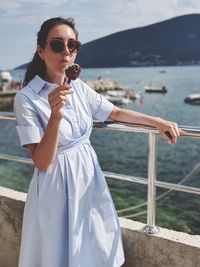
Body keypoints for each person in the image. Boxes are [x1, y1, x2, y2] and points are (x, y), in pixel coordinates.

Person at [14, 17, 180, 267]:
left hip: (88, 178)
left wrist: (156, 121)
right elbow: (41, 160)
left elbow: (114, 113)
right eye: (57, 45)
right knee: (56, 253)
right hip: (54, 187)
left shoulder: (78, 87)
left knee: (93, 247)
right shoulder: (26, 98)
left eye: (73, 45)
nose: (66, 52)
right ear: (41, 50)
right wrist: (56, 115)